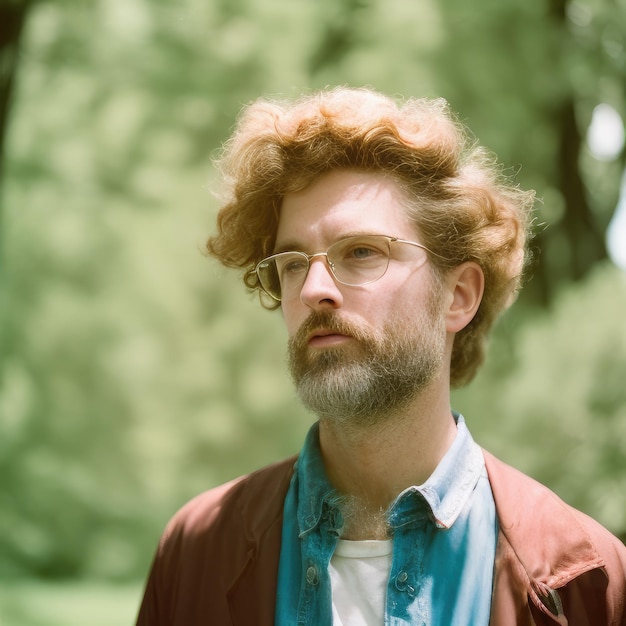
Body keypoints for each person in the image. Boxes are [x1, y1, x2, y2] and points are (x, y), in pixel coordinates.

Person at [136, 87, 626, 626]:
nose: (313, 289)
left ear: (458, 295)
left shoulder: (585, 577)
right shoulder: (196, 552)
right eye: (294, 262)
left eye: (362, 252)